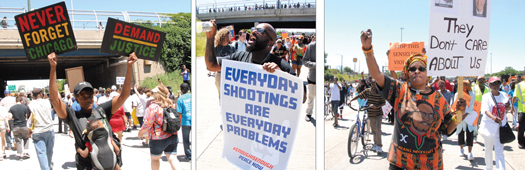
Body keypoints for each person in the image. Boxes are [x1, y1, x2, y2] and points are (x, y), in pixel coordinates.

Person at [360, 29, 466, 169]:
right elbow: (377, 74)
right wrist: (368, 50)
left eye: (421, 68)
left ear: (427, 73)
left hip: (430, 164)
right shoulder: (399, 90)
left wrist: (459, 115)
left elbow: (446, 129)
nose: (417, 71)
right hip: (400, 163)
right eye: (413, 68)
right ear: (407, 73)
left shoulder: (438, 98)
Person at [48, 52, 136, 169]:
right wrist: (53, 67)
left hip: (111, 163)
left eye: (90, 95)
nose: (87, 99)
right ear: (76, 99)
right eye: (83, 96)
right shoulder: (72, 116)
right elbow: (54, 100)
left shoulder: (102, 110)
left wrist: (129, 66)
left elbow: (123, 95)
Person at [204, 20, 300, 102]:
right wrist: (210, 37)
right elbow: (211, 65)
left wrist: (281, 75)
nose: (253, 32)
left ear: (271, 42)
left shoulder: (280, 64)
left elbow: (302, 96)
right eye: (253, 29)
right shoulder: (240, 57)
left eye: (260, 31)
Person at [138, 85, 180, 170]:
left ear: (157, 94)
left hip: (158, 138)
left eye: (153, 93)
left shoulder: (153, 107)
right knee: (173, 158)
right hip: (172, 135)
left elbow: (148, 123)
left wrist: (140, 133)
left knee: (155, 159)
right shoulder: (171, 104)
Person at [479, 76, 510, 170]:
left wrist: (508, 107)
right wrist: (493, 118)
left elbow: (507, 109)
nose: (496, 85)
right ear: (489, 85)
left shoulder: (504, 95)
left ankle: (501, 168)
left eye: (498, 83)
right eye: (493, 83)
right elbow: (485, 110)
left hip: (500, 129)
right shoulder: (486, 97)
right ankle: (489, 167)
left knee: (499, 151)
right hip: (489, 128)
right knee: (488, 149)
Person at [348, 79, 386, 154]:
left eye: (375, 84)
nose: (374, 86)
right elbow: (359, 95)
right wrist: (351, 100)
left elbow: (383, 103)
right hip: (371, 114)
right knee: (374, 130)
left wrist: (376, 106)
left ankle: (379, 146)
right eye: (372, 84)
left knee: (378, 129)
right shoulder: (368, 91)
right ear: (371, 84)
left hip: (378, 114)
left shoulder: (380, 92)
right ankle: (375, 143)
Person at [28, 88, 55, 169]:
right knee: (49, 151)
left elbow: (29, 120)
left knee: (41, 153)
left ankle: (46, 168)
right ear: (40, 94)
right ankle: (49, 165)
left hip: (38, 131)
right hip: (49, 129)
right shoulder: (48, 102)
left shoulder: (30, 105)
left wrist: (29, 131)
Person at [452, 80, 478, 161]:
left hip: (468, 117)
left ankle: (470, 152)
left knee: (469, 133)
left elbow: (471, 107)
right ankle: (461, 149)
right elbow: (454, 104)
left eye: (464, 85)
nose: (462, 86)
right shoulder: (457, 94)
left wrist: (465, 115)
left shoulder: (471, 94)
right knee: (460, 132)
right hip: (460, 116)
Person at [213, 27, 236, 102]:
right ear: (225, 36)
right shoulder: (216, 48)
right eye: (230, 35)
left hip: (231, 74)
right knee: (222, 96)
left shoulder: (232, 48)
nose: (231, 37)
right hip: (219, 74)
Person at [9, 96, 31, 160]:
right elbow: (27, 116)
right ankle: (26, 152)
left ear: (16, 101)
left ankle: (20, 155)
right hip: (24, 125)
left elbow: (10, 117)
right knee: (26, 138)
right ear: (21, 101)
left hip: (15, 126)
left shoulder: (12, 108)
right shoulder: (25, 107)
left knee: (18, 141)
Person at [177, 83, 191, 161]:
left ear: (181, 89)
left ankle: (189, 155)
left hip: (185, 122)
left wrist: (178, 123)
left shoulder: (180, 99)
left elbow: (179, 112)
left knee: (186, 139)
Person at [473, 76, 490, 142]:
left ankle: (485, 138)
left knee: (485, 124)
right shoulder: (473, 88)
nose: (482, 81)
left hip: (485, 110)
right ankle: (475, 136)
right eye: (480, 80)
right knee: (475, 124)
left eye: (483, 80)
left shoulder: (488, 89)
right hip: (476, 110)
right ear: (477, 80)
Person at [303, 42, 316, 122]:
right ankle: (308, 113)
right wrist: (315, 64)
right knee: (310, 97)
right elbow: (305, 61)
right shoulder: (311, 46)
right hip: (313, 77)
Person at [512, 75, 525, 149]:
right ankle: (520, 142)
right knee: (521, 127)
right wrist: (512, 106)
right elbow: (514, 97)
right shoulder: (519, 85)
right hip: (522, 110)